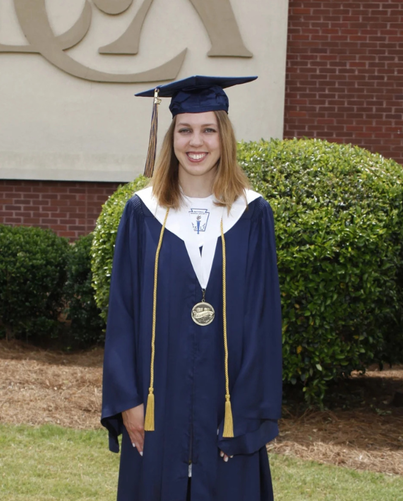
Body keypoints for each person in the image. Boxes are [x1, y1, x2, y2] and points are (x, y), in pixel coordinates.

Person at [101, 75, 282, 501]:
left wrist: (249, 414)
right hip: (156, 401)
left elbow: (262, 320)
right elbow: (123, 313)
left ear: (224, 137)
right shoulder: (142, 213)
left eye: (208, 129)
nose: (195, 141)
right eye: (185, 129)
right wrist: (128, 400)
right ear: (171, 137)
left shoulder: (252, 213)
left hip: (229, 406)